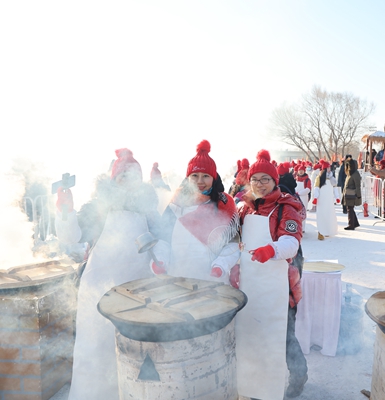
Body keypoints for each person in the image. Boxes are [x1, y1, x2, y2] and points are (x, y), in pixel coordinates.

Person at [54, 148, 160, 400]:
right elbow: (71, 237)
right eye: (123, 176)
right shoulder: (98, 207)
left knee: (134, 355)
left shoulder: (148, 210)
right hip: (98, 291)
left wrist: (162, 259)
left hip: (137, 294)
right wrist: (65, 211)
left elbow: (163, 241)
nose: (128, 180)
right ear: (113, 179)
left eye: (133, 175)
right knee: (95, 353)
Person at [233, 149, 308, 399]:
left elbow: (291, 243)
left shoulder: (286, 207)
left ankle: (298, 376)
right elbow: (234, 240)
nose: (260, 184)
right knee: (254, 332)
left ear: (275, 181)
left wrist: (271, 249)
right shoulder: (244, 208)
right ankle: (255, 384)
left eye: (266, 179)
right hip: (251, 282)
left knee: (283, 334)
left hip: (281, 283)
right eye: (255, 179)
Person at [151, 140, 240, 282]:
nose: (200, 181)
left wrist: (221, 266)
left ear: (213, 178)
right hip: (178, 280)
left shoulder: (224, 205)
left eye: (206, 176)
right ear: (188, 178)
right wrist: (160, 260)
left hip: (213, 282)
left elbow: (233, 244)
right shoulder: (175, 204)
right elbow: (163, 240)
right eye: (195, 176)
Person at [312, 160, 339, 240]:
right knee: (321, 215)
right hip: (322, 200)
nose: (329, 169)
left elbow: (335, 188)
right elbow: (316, 188)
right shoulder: (319, 178)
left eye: (329, 168)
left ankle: (328, 230)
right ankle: (320, 231)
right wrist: (315, 198)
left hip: (329, 200)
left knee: (329, 215)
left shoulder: (332, 178)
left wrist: (337, 197)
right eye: (327, 168)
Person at [342, 158, 361, 230]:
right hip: (348, 194)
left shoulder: (355, 174)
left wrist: (358, 195)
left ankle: (351, 224)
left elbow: (357, 185)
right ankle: (354, 223)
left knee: (350, 208)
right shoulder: (350, 173)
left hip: (352, 194)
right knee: (350, 208)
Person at [295, 163, 312, 232]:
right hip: (296, 197)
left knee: (303, 213)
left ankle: (302, 228)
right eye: (299, 170)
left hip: (304, 197)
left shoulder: (307, 180)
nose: (301, 171)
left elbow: (308, 189)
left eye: (302, 170)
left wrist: (299, 193)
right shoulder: (295, 178)